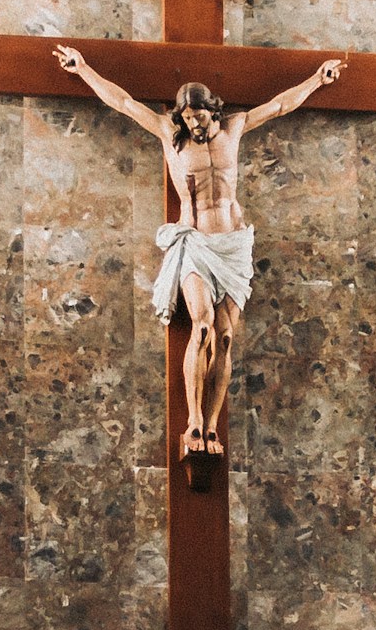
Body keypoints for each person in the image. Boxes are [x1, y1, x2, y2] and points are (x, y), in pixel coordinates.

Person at [52, 45, 344, 459]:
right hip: (195, 243)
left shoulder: (236, 128)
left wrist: (318, 79)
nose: (195, 124)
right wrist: (82, 70)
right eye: (187, 118)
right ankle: (192, 420)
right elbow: (121, 101)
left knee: (225, 338)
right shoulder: (169, 137)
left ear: (214, 111)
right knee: (203, 326)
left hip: (233, 245)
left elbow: (280, 105)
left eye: (200, 117)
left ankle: (210, 425)